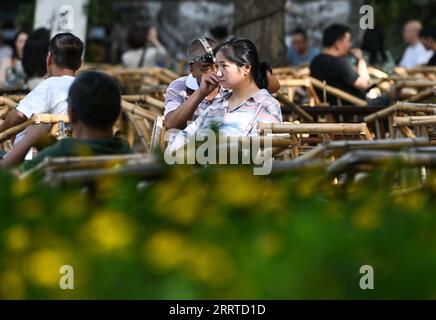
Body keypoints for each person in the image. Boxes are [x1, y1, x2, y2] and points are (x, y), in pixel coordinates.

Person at [167, 36, 282, 153]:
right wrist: (201, 93)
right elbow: (173, 127)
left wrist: (255, 71)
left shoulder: (262, 103)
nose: (216, 73)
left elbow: (255, 155)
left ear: (246, 68)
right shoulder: (182, 88)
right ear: (191, 69)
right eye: (206, 68)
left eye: (221, 66)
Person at [3, 71, 131, 171]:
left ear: (72, 115)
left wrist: (28, 140)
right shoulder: (124, 149)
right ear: (117, 113)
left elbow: (8, 177)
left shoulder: (65, 151)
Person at [0, 33, 84, 168]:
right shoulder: (84, 87)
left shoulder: (51, 85)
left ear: (49, 58)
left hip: (31, 161)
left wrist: (2, 132)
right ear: (80, 63)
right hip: (68, 155)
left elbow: (18, 115)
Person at [310, 24, 390, 106]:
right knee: (392, 96)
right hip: (354, 110)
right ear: (338, 43)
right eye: (348, 41)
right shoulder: (338, 63)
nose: (350, 45)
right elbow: (364, 84)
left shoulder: (315, 61)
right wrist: (360, 59)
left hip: (331, 110)